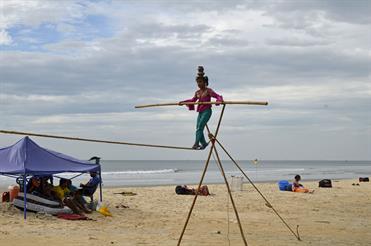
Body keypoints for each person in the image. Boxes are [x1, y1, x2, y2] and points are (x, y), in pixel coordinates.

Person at [180, 66, 223, 149]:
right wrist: (183, 102)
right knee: (198, 128)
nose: (199, 84)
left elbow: (217, 96)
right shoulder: (197, 92)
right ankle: (203, 143)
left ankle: (196, 143)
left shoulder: (208, 91)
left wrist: (219, 101)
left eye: (200, 82)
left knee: (200, 127)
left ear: (205, 82)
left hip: (207, 111)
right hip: (200, 112)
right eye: (198, 82)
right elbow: (192, 100)